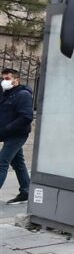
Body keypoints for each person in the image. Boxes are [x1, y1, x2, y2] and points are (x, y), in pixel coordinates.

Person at [0, 68, 34, 205]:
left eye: (7, 78)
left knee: (1, 162)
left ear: (16, 80)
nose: (4, 81)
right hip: (7, 135)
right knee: (18, 163)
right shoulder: (7, 94)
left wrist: (8, 128)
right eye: (2, 78)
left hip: (17, 135)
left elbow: (26, 116)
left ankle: (26, 191)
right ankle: (26, 191)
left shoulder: (23, 94)